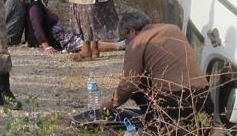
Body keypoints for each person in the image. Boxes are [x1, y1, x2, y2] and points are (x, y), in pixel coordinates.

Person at [73, 11, 210, 128]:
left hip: (176, 102)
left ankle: (156, 122)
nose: (126, 43)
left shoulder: (137, 42)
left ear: (131, 31)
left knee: (138, 87)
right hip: (204, 99)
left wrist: (112, 103)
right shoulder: (173, 29)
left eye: (126, 38)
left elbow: (130, 83)